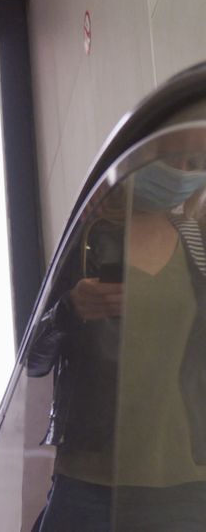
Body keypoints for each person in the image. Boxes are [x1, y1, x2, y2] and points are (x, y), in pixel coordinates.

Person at [27, 152, 206, 531]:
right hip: (89, 478)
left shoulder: (196, 242)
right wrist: (70, 308)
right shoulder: (84, 240)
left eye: (196, 163)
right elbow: (34, 359)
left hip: (186, 480)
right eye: (177, 158)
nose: (183, 173)